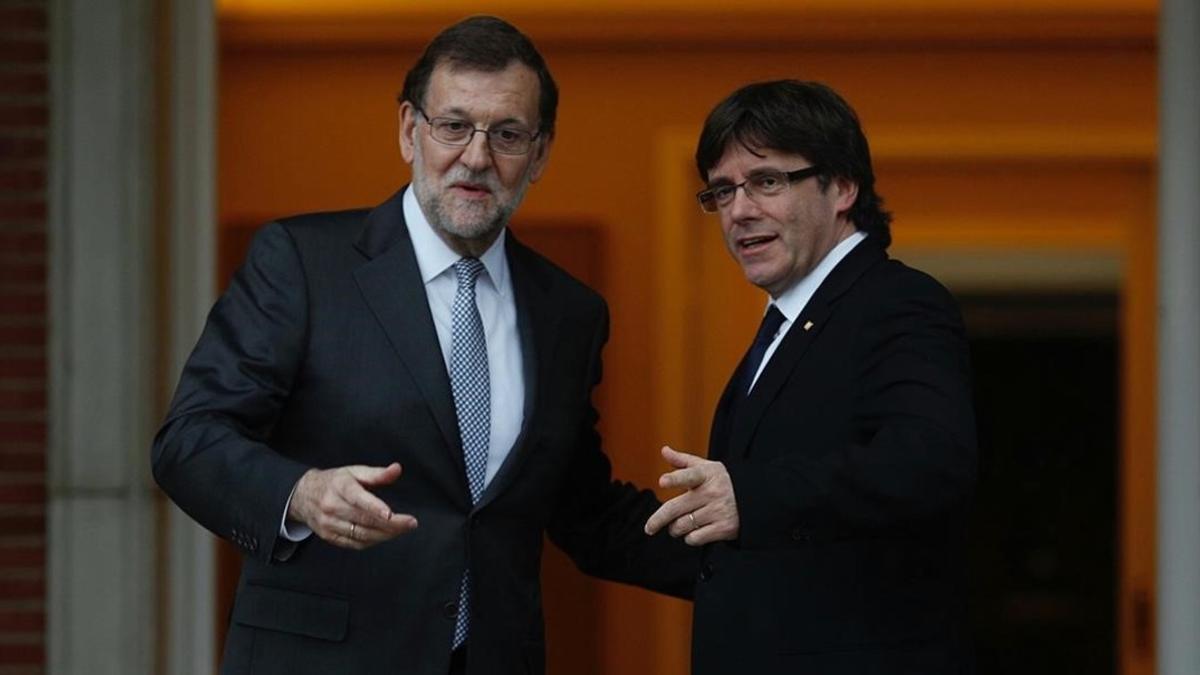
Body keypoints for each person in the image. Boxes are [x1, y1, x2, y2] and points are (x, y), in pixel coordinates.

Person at [152, 16, 693, 675]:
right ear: (410, 130)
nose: (476, 156)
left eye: (507, 134)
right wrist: (301, 492)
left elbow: (581, 506)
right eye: (454, 125)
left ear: (541, 153)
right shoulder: (302, 263)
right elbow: (190, 441)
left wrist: (758, 555)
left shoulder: (569, 314)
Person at [645, 80, 977, 674]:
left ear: (843, 186)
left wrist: (752, 495)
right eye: (723, 190)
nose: (740, 210)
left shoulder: (895, 301)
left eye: (767, 181)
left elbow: (929, 460)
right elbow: (755, 547)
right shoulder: (787, 323)